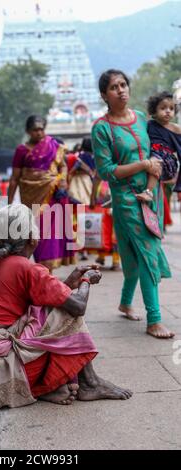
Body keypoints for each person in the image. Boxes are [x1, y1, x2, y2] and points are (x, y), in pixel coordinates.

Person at [0, 204, 132, 410]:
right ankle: (89, 383)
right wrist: (86, 281)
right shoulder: (27, 268)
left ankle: (54, 387)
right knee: (65, 313)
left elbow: (39, 293)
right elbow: (78, 306)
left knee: (47, 307)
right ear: (32, 238)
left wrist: (69, 283)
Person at [91, 69, 174, 339]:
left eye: (123, 84)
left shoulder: (140, 118)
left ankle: (126, 302)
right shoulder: (102, 128)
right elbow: (105, 170)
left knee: (131, 255)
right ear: (104, 95)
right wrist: (142, 164)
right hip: (127, 199)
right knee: (148, 252)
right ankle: (154, 319)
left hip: (153, 195)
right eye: (114, 87)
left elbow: (161, 143)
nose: (121, 90)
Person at [8, 115, 76, 272]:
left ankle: (47, 271)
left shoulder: (52, 145)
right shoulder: (21, 151)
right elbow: (14, 179)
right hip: (31, 199)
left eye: (41, 129)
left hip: (52, 196)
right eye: (35, 130)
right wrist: (9, 203)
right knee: (37, 235)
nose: (39, 133)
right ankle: (43, 270)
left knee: (51, 235)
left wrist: (63, 180)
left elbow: (63, 166)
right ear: (27, 131)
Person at [136, 91, 181, 202]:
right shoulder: (149, 125)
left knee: (155, 161)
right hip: (149, 155)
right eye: (163, 108)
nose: (167, 111)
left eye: (171, 109)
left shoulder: (176, 128)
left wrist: (178, 177)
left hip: (166, 160)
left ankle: (148, 192)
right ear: (154, 110)